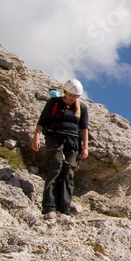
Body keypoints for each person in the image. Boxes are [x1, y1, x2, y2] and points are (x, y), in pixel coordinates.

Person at [31, 79, 89, 217]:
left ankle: (64, 208)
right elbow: (42, 121)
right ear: (65, 92)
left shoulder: (82, 108)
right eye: (70, 95)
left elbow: (84, 128)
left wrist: (85, 147)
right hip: (54, 138)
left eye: (76, 96)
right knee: (55, 168)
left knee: (69, 173)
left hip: (73, 141)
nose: (72, 98)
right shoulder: (54, 103)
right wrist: (36, 137)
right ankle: (49, 206)